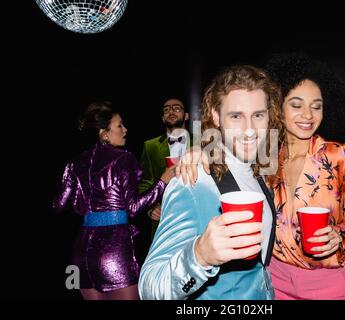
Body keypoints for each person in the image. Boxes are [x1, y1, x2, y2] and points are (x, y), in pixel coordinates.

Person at [177, 53, 345, 300]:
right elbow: (230, 146)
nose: (308, 115)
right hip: (274, 282)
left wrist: (342, 235)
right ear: (277, 108)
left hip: (327, 284)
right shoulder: (265, 156)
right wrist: (199, 150)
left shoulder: (339, 156)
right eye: (296, 105)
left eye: (316, 106)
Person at [138, 65, 282, 300]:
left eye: (258, 115)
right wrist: (199, 257)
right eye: (236, 116)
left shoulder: (258, 171)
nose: (249, 131)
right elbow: (149, 289)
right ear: (216, 116)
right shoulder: (193, 182)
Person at [53, 102, 175, 300]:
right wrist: (163, 181)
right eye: (120, 125)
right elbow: (133, 208)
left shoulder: (75, 162)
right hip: (113, 250)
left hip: (81, 253)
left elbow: (58, 206)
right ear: (104, 133)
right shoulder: (123, 159)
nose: (125, 130)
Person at [139, 97, 190, 245]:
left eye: (177, 108)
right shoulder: (150, 146)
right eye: (166, 109)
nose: (171, 111)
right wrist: (151, 208)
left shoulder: (202, 143)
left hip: (196, 217)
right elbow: (144, 183)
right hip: (164, 221)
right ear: (162, 118)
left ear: (186, 115)